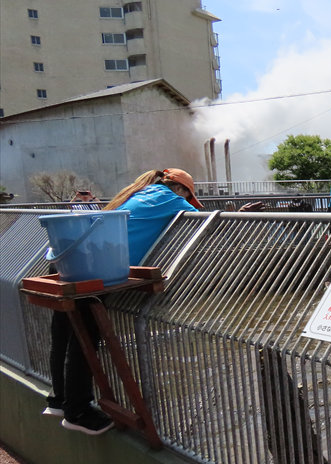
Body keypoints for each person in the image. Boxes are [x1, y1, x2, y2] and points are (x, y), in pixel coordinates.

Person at [45, 168, 260, 435]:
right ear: (180, 190)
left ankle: (58, 401)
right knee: (85, 340)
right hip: (95, 268)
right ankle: (77, 411)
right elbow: (207, 226)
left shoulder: (138, 192)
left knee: (63, 333)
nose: (187, 201)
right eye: (188, 196)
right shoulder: (170, 199)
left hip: (72, 261)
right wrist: (237, 215)